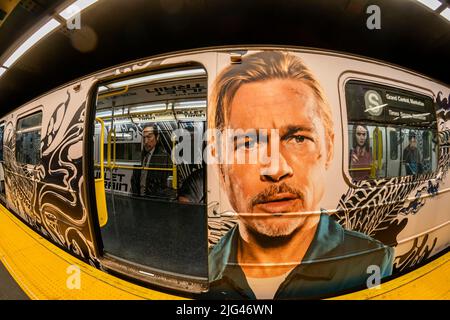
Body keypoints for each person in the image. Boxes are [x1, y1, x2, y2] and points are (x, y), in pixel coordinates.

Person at [207, 51, 393, 299]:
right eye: (249, 143)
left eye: (298, 138)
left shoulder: (374, 262)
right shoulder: (203, 273)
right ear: (220, 163)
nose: (276, 169)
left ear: (328, 149)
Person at [131, 124, 173, 198]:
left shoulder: (165, 158)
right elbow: (134, 179)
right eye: (144, 137)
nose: (146, 141)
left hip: (154, 200)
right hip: (139, 198)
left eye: (149, 137)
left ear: (157, 137)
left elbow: (169, 186)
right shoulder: (140, 156)